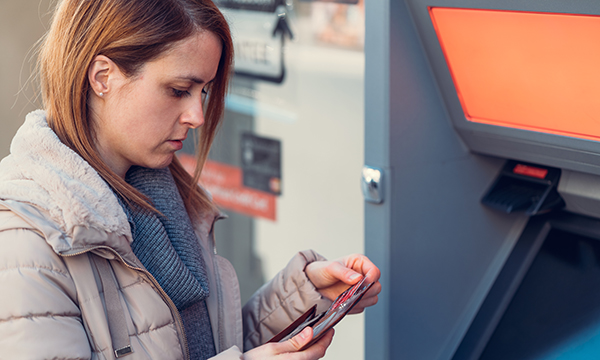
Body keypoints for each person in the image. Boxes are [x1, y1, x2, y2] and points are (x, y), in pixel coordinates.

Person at [0, 0, 381, 359]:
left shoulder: (162, 199)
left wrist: (303, 296)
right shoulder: (24, 243)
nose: (197, 116)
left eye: (204, 91)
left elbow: (200, 346)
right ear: (103, 77)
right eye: (179, 90)